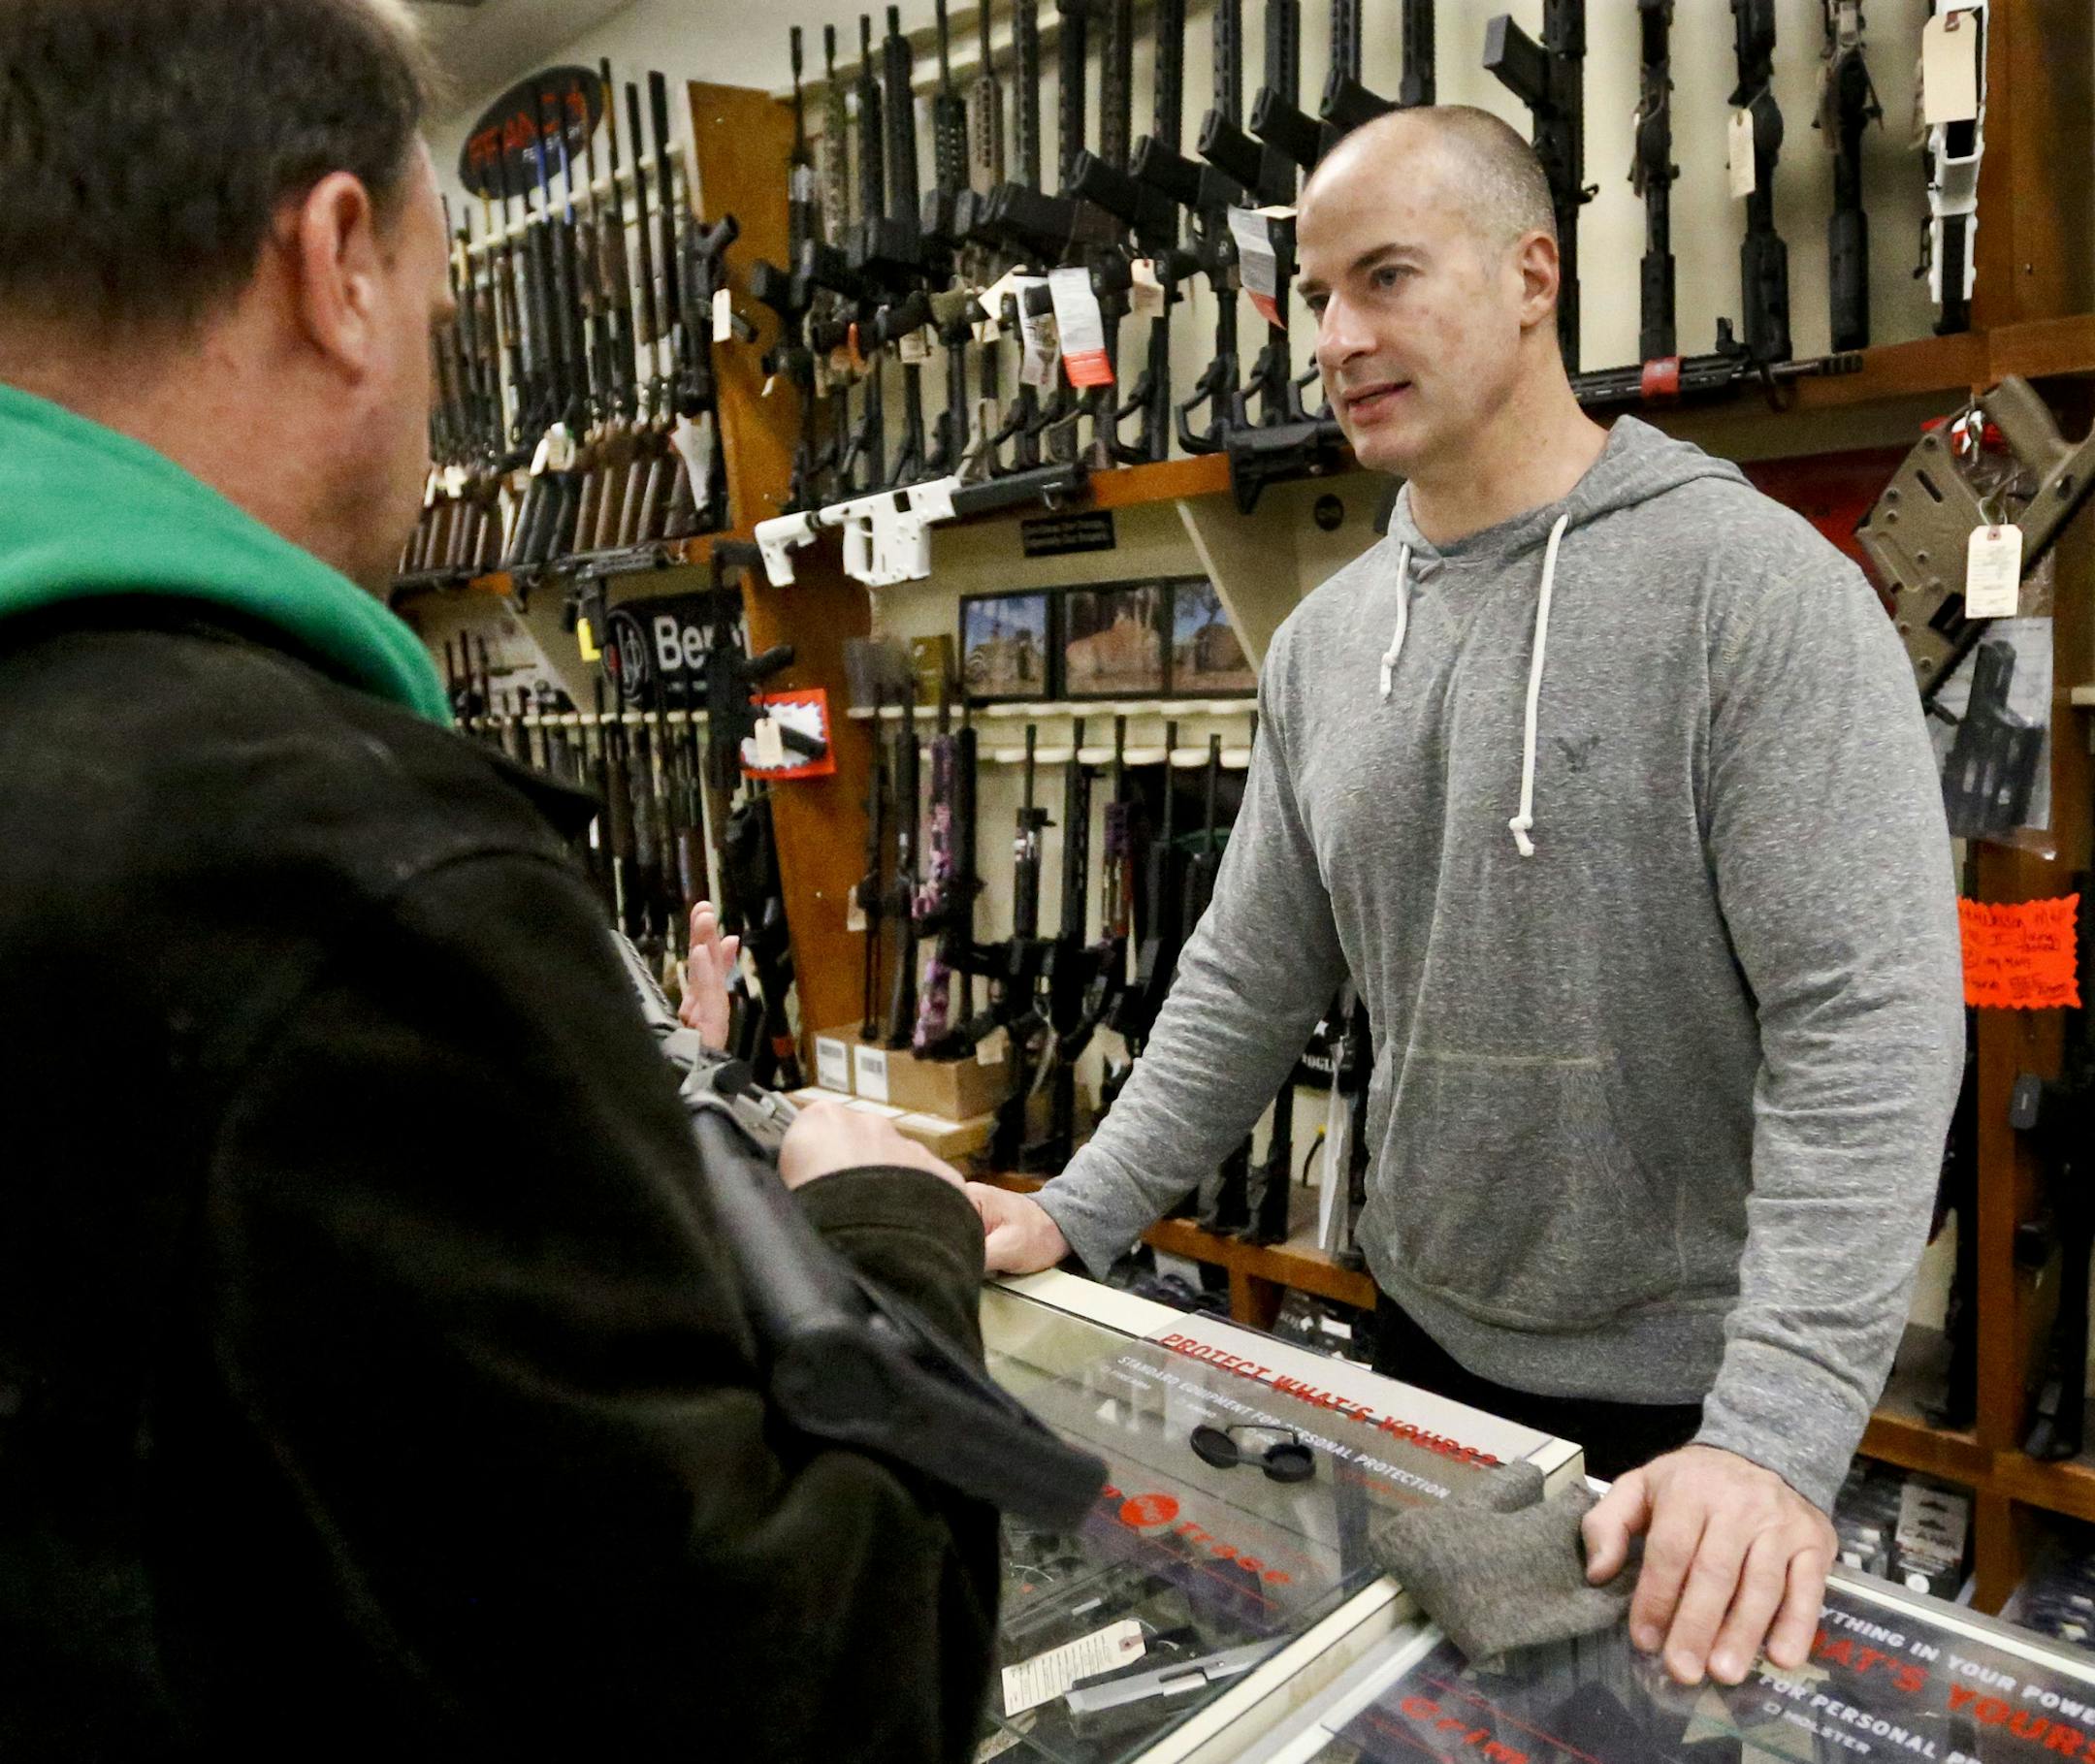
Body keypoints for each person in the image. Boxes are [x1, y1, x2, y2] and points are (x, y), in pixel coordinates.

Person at [0, 3, 995, 1757]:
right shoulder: (343, 871)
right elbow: (810, 1698)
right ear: (336, 268)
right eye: (444, 304)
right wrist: (887, 1239)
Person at [971, 106, 1963, 1688]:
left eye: (1386, 279)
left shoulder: (1756, 596)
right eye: (1315, 296)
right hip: (1414, 1354)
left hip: (1692, 1414)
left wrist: (1773, 1440)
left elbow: (1873, 1031)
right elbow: (1245, 980)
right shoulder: (1325, 641)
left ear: (1531, 276)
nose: (1338, 338)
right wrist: (1068, 1211)